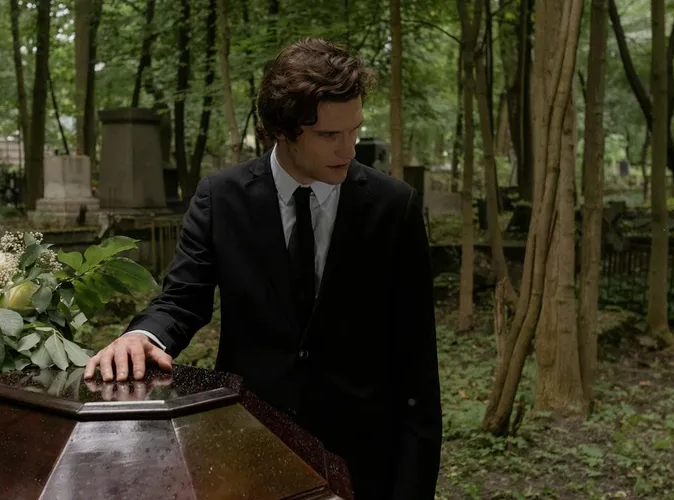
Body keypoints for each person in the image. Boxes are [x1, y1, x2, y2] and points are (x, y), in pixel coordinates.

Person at [83, 37, 442, 499]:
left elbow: (417, 364)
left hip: (364, 462)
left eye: (354, 131)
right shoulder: (220, 199)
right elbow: (182, 300)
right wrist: (142, 335)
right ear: (283, 130)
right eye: (330, 136)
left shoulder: (395, 208)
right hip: (248, 449)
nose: (349, 150)